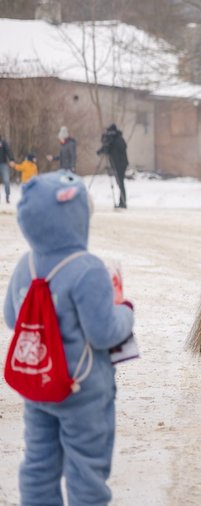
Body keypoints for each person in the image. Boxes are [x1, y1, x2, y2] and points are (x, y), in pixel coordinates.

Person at [4, 171, 135, 504]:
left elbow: (10, 317)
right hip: (82, 392)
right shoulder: (87, 269)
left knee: (38, 465)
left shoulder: (25, 264)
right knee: (86, 470)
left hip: (39, 386)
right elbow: (104, 332)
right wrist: (125, 310)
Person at [96, 123, 129, 209]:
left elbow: (123, 147)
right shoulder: (112, 140)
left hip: (121, 164)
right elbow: (106, 148)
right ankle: (122, 201)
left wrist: (113, 141)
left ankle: (123, 202)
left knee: (120, 183)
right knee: (119, 183)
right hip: (116, 164)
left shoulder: (118, 139)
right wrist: (101, 150)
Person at [0, 132, 12, 203]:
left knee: (6, 181)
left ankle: (7, 196)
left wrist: (11, 159)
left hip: (3, 164)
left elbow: (8, 151)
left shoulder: (3, 142)